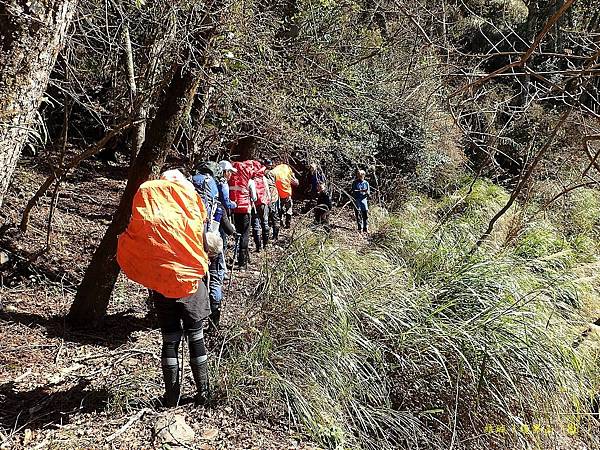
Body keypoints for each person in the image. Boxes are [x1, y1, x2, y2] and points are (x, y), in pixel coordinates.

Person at [117, 169, 213, 407]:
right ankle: (204, 392)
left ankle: (171, 397)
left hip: (160, 284)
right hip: (190, 283)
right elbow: (204, 243)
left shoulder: (150, 210)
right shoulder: (190, 206)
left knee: (170, 340)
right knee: (196, 336)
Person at [192, 163, 234, 331]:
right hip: (211, 241)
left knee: (198, 279)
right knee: (215, 278)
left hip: (192, 241)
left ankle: (196, 319)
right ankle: (214, 323)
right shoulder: (215, 186)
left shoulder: (190, 184)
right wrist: (232, 231)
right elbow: (224, 213)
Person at [228, 160, 257, 268]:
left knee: (238, 234)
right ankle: (242, 264)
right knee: (245, 235)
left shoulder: (231, 180)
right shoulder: (249, 181)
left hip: (234, 210)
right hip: (245, 210)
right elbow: (254, 197)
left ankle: (238, 257)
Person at [250, 160, 271, 251]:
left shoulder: (250, 180)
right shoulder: (263, 178)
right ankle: (265, 245)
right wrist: (268, 201)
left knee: (256, 225)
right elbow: (267, 191)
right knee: (265, 223)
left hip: (254, 204)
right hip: (263, 203)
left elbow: (252, 195)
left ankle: (258, 247)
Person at [271, 161, 299, 229]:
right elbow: (295, 182)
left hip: (278, 193)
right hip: (287, 192)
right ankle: (288, 223)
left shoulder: (273, 171)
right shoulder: (287, 168)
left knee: (279, 209)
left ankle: (280, 223)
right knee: (289, 208)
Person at [264, 160, 280, 241]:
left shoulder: (263, 172)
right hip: (274, 195)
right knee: (275, 216)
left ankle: (267, 238)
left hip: (267, 196)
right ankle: (275, 236)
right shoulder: (274, 173)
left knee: (266, 217)